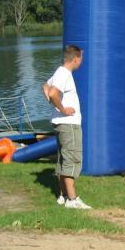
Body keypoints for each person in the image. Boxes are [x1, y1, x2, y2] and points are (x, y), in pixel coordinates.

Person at [43, 44, 90, 209]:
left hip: (62, 124)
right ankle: (72, 199)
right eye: (81, 58)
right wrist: (63, 109)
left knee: (63, 160)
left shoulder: (60, 72)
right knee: (72, 159)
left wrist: (53, 104)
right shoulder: (64, 73)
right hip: (69, 124)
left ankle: (63, 196)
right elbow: (52, 93)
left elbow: (45, 86)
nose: (81, 61)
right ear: (76, 59)